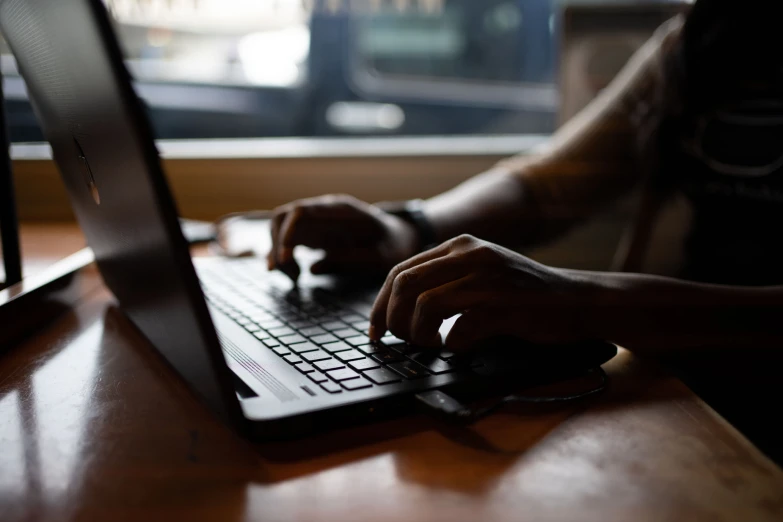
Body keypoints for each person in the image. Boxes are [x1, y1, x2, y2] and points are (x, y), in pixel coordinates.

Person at [266, 1, 783, 462]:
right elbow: (550, 186)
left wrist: (586, 303)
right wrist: (409, 227)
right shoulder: (700, 37)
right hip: (675, 389)